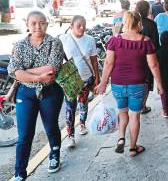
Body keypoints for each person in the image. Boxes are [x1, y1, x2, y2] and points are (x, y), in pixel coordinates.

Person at [95, 11, 164, 157]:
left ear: (125, 23)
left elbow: (108, 63)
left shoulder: (115, 41)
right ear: (139, 23)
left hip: (118, 84)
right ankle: (133, 148)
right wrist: (159, 85)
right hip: (138, 84)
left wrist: (103, 83)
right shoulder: (145, 41)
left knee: (123, 112)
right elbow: (154, 66)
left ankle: (121, 138)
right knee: (134, 116)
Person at [8, 11, 65, 179]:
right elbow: (13, 71)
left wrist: (23, 72)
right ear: (27, 24)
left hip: (50, 91)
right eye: (33, 23)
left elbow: (52, 69)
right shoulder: (19, 45)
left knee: (51, 127)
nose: (37, 26)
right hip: (26, 93)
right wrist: (38, 77)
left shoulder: (54, 43)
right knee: (24, 135)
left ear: (47, 24)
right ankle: (20, 172)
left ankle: (54, 153)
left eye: (41, 23)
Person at [59, 15, 100, 148]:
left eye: (84, 25)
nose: (82, 28)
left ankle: (82, 123)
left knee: (83, 103)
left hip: (86, 79)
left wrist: (97, 77)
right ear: (71, 26)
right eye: (78, 26)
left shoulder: (90, 40)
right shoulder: (63, 39)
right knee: (70, 108)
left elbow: (94, 60)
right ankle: (70, 135)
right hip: (71, 81)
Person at [135, 0, 160, 114]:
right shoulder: (152, 24)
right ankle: (143, 106)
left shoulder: (133, 24)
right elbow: (155, 44)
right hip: (149, 57)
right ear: (148, 10)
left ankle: (137, 105)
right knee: (147, 81)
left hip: (135, 57)